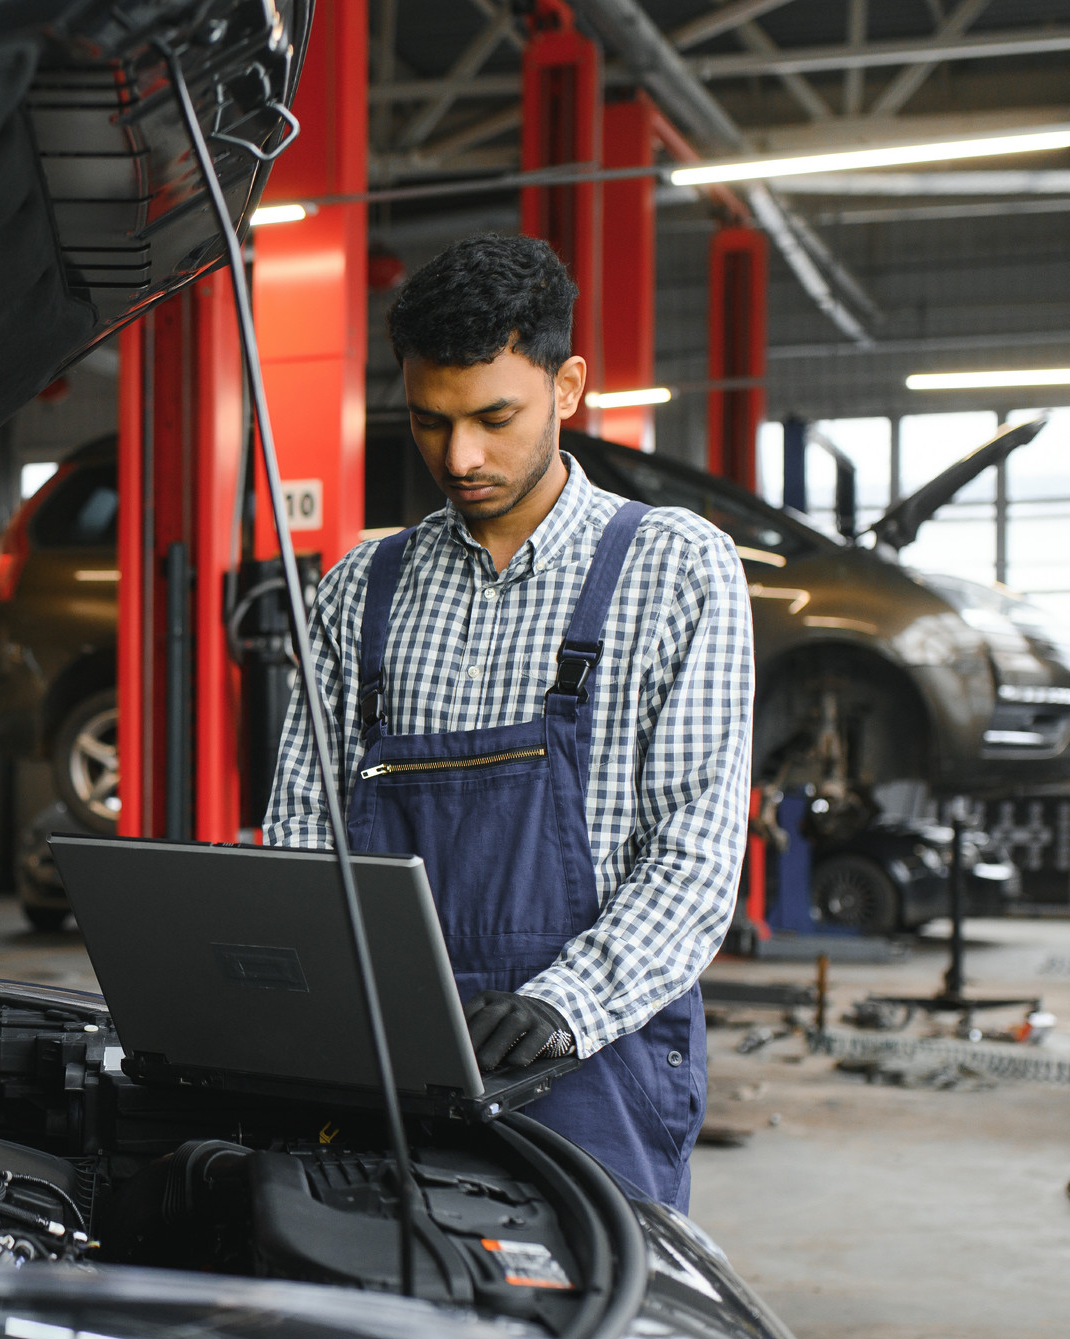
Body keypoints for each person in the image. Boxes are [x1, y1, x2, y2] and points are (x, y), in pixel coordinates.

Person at [262, 233, 752, 1211]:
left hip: (591, 1059)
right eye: (431, 421)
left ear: (567, 387)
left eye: (495, 417)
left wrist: (563, 1007)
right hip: (389, 1048)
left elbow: (695, 851)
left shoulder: (677, 569)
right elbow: (304, 823)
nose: (462, 456)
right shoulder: (362, 585)